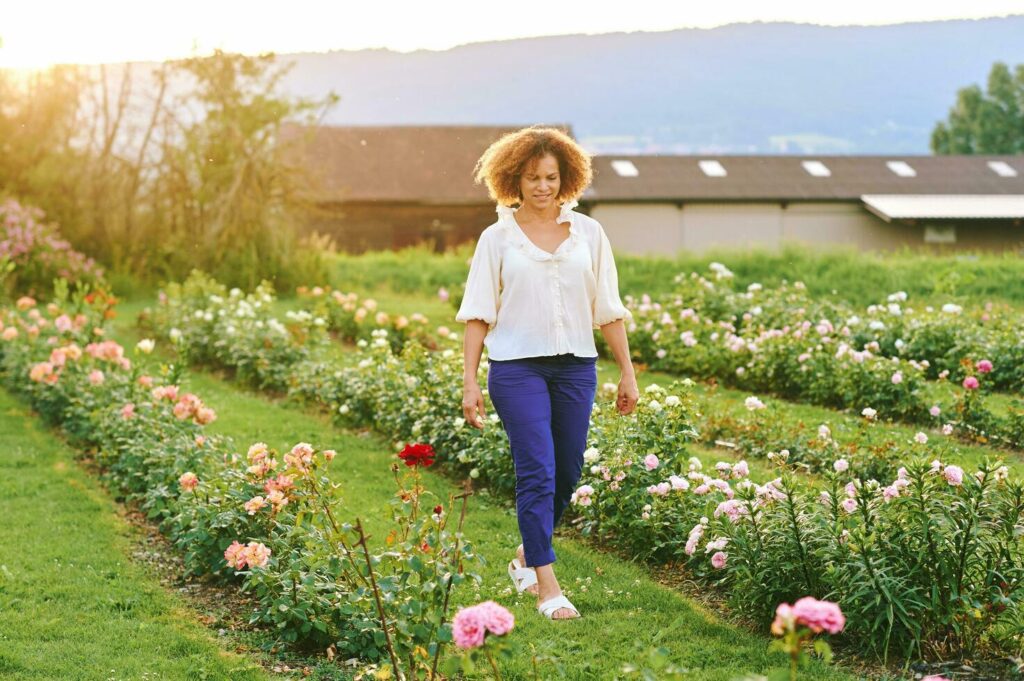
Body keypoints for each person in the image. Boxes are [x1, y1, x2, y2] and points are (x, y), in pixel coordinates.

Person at [455, 126, 639, 621]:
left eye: (551, 177)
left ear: (567, 179)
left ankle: (524, 555)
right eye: (532, 177)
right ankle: (547, 585)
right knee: (536, 469)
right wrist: (470, 381)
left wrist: (627, 372)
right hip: (517, 368)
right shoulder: (497, 239)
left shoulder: (589, 234)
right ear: (514, 179)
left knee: (567, 471)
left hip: (576, 367)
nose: (542, 187)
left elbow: (609, 308)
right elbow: (477, 313)